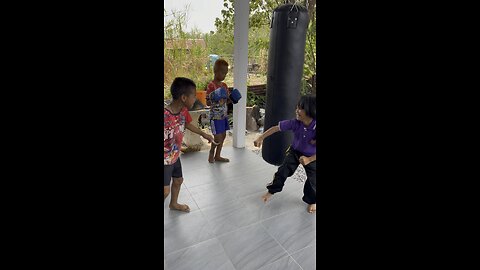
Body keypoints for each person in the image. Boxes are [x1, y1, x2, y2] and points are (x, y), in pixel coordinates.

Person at [254, 95, 317, 213]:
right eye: (297, 107)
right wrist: (261, 137)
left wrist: (309, 159)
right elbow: (276, 128)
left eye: (300, 109)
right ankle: (271, 191)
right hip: (295, 151)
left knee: (314, 180)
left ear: (310, 110)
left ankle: (312, 200)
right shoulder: (295, 123)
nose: (296, 111)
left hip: (312, 156)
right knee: (282, 171)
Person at [164, 77, 217, 212]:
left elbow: (187, 124)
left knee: (178, 181)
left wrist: (203, 134)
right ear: (183, 97)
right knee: (165, 190)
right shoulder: (165, 115)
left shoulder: (183, 112)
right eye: (193, 95)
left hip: (175, 155)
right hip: (164, 160)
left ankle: (173, 204)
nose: (195, 99)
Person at [206, 59, 231, 163]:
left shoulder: (224, 85)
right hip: (215, 116)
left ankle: (218, 156)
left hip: (223, 116)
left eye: (226, 73)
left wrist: (232, 99)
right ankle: (211, 154)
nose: (224, 75)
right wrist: (216, 101)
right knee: (217, 137)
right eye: (223, 73)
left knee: (223, 135)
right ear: (216, 71)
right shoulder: (211, 86)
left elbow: (227, 100)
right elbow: (207, 103)